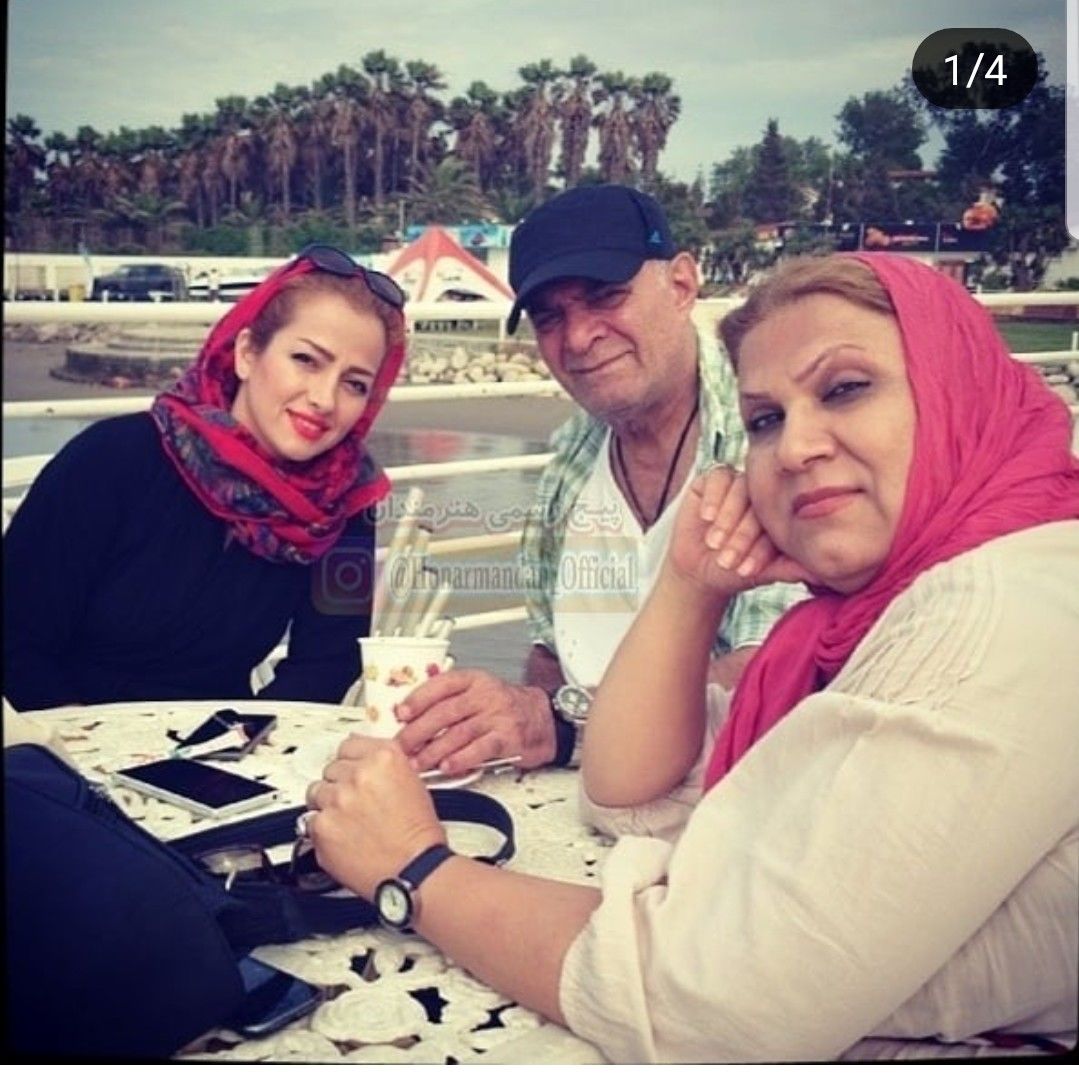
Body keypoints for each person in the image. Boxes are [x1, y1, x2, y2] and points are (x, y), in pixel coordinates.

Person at [303, 253, 1078, 1061]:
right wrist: (691, 583)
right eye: (764, 420)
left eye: (845, 388)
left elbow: (717, 1001)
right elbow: (628, 789)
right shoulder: (851, 625)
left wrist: (413, 867)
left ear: (958, 391)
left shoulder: (998, 608)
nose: (795, 447)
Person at [395, 185, 803, 776]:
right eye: (549, 317)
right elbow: (549, 654)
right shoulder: (570, 459)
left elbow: (771, 675)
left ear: (682, 285)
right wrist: (502, 721)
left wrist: (560, 725)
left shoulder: (768, 441)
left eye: (606, 296)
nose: (579, 337)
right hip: (574, 792)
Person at [3, 245, 406, 711]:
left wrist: (242, 738)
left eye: (355, 384)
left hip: (221, 741)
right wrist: (81, 747)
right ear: (247, 353)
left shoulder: (343, 503)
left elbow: (327, 664)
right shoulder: (114, 459)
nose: (325, 399)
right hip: (64, 729)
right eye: (306, 360)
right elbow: (16, 639)